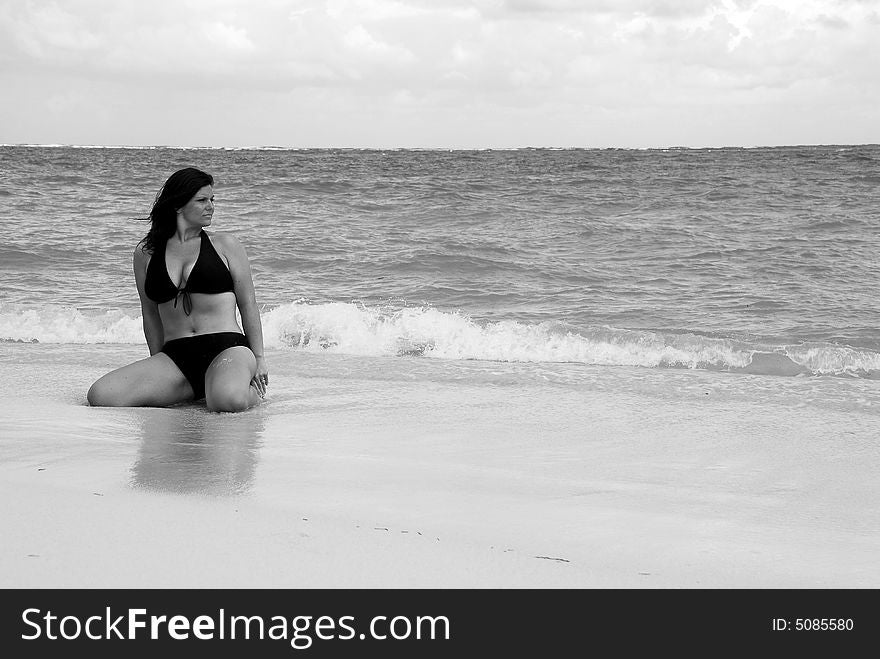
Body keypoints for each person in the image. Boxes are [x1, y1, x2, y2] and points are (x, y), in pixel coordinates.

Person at [87, 167, 269, 412]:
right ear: (178, 205)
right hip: (177, 355)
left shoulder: (226, 245)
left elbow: (248, 304)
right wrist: (157, 362)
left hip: (228, 349)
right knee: (101, 395)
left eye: (212, 200)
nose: (211, 206)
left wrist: (258, 359)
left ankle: (245, 393)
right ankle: (199, 388)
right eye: (202, 200)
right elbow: (150, 312)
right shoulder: (146, 253)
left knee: (227, 402)